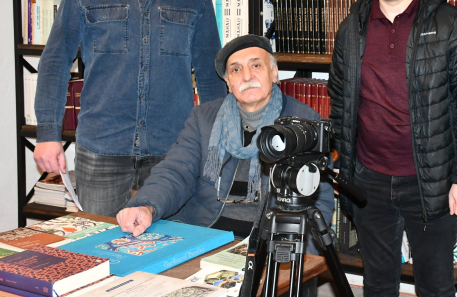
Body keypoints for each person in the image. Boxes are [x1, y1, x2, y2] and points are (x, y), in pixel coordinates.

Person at [33, 0, 227, 217]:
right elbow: (55, 63)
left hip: (173, 151)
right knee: (100, 244)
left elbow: (210, 75)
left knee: (172, 244)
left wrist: (214, 140)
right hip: (102, 148)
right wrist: (47, 134)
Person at [328, 0, 457, 296]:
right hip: (368, 182)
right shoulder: (350, 28)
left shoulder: (451, 24)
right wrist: (341, 161)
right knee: (378, 284)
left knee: (435, 286)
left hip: (431, 183)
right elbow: (340, 100)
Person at [117, 35, 334, 253]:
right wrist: (146, 206)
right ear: (228, 83)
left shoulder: (304, 124)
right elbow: (175, 171)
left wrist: (292, 255)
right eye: (236, 70)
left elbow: (319, 201)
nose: (247, 76)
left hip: (269, 244)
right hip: (205, 234)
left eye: (256, 65)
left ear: (274, 72)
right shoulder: (204, 118)